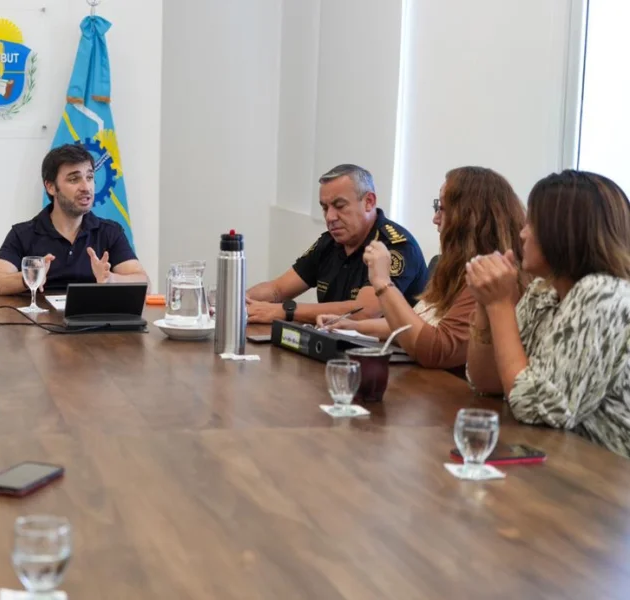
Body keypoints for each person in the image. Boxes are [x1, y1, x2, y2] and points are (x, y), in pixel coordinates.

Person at [466, 170, 630, 458]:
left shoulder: (603, 293)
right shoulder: (544, 291)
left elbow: (538, 407)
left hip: (604, 476)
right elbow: (487, 383)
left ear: (565, 231)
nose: (522, 233)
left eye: (532, 223)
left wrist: (500, 304)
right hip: (557, 459)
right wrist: (485, 302)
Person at [316, 167, 525, 371]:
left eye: (442, 209)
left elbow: (437, 349)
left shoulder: (491, 277)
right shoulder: (453, 267)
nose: (435, 219)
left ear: (470, 218)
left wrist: (382, 283)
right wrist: (352, 326)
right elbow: (416, 325)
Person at [246, 164, 427, 324]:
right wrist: (236, 302)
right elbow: (278, 289)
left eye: (339, 206)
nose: (330, 217)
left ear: (369, 202)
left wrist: (285, 311)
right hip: (333, 347)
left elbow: (364, 312)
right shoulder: (329, 242)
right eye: (325, 208)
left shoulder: (395, 246)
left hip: (387, 356)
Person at [0, 144, 148, 294]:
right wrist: (29, 277)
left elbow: (144, 282)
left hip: (93, 321)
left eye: (90, 177)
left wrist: (110, 279)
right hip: (39, 321)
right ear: (51, 187)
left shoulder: (110, 232)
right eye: (74, 179)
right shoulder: (23, 234)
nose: (86, 187)